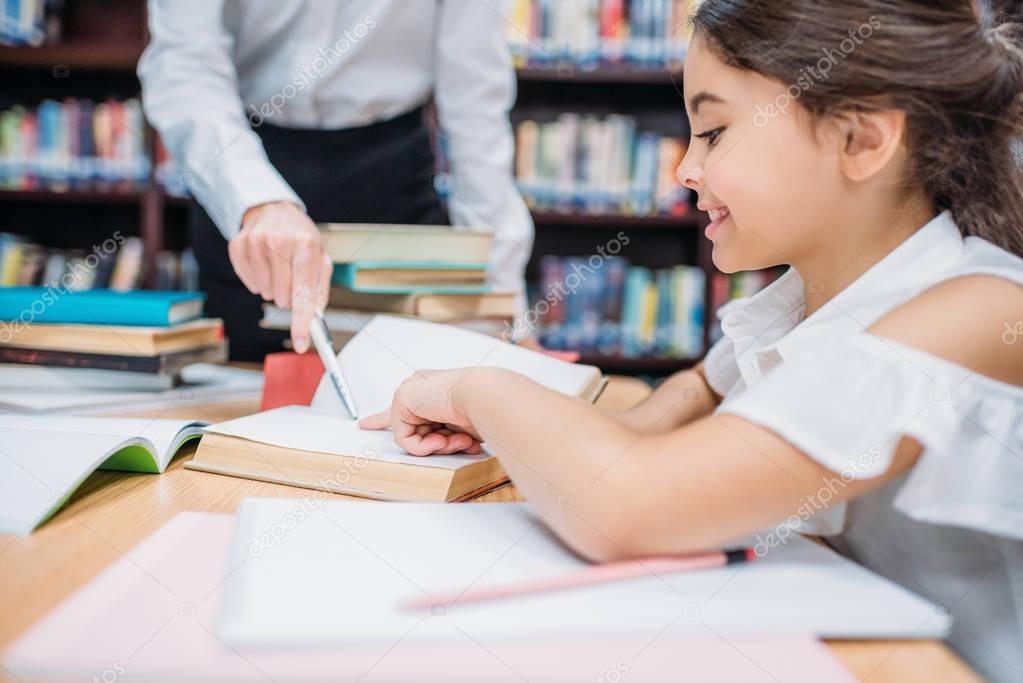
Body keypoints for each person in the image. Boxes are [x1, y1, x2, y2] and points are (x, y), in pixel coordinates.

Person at [361, 1, 1023, 679]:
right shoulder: (809, 295)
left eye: (712, 130)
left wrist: (474, 387)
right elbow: (681, 401)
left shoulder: (976, 312)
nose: (683, 168)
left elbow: (632, 505)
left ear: (861, 141)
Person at [138, 1, 533, 360]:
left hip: (390, 180)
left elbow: (475, 98)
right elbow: (185, 66)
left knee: (403, 401)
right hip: (244, 169)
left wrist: (501, 304)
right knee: (236, 401)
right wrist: (255, 201)